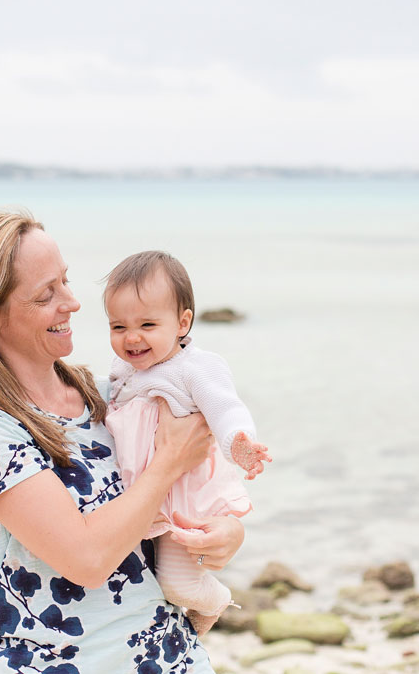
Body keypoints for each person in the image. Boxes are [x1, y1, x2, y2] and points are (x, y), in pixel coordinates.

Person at [0, 211, 245, 673]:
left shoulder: (111, 396)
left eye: (66, 281)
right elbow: (88, 558)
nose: (73, 303)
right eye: (45, 294)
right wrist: (169, 460)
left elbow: (191, 485)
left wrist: (225, 534)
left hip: (175, 659)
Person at [103, 251, 271, 635]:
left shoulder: (195, 367)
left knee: (176, 583)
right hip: (141, 496)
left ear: (182, 323)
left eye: (147, 324)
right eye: (117, 327)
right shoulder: (122, 371)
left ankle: (213, 604)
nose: (131, 338)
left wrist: (239, 444)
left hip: (184, 497)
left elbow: (226, 409)